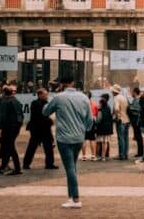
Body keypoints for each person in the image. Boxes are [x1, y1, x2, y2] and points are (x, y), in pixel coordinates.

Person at [43, 73, 94, 210]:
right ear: (73, 83)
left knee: (70, 168)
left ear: (61, 84)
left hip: (64, 138)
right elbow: (90, 120)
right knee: (73, 166)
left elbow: (45, 112)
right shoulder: (83, 97)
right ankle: (71, 196)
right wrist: (84, 129)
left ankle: (76, 198)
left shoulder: (58, 98)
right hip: (79, 137)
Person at [23, 87, 56, 170]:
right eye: (45, 95)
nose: (47, 96)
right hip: (37, 128)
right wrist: (50, 121)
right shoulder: (35, 103)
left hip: (43, 128)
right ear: (40, 95)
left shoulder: (44, 103)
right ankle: (27, 163)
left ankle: (49, 163)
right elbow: (40, 116)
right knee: (33, 146)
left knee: (47, 146)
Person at [0, 84, 23, 175]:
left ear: (4, 93)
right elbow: (20, 115)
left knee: (9, 146)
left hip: (8, 127)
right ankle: (5, 166)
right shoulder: (16, 101)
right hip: (15, 127)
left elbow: (3, 116)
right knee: (10, 146)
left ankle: (10, 167)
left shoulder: (5, 102)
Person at [111, 85, 130, 161]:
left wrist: (116, 116)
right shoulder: (124, 97)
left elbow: (116, 108)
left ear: (114, 91)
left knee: (121, 138)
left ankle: (121, 155)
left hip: (120, 120)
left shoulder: (116, 98)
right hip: (127, 120)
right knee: (126, 138)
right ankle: (125, 154)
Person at [94, 93, 114, 161]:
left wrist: (95, 124)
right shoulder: (109, 108)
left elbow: (98, 120)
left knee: (99, 142)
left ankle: (97, 156)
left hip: (101, 128)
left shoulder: (100, 110)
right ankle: (103, 157)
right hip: (107, 128)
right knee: (105, 142)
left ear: (101, 103)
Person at [128, 86, 144, 158]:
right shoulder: (136, 100)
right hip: (136, 121)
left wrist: (129, 108)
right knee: (138, 137)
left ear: (135, 92)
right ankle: (140, 152)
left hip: (137, 121)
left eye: (132, 92)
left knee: (138, 137)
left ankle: (140, 152)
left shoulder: (137, 100)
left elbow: (136, 111)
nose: (131, 93)